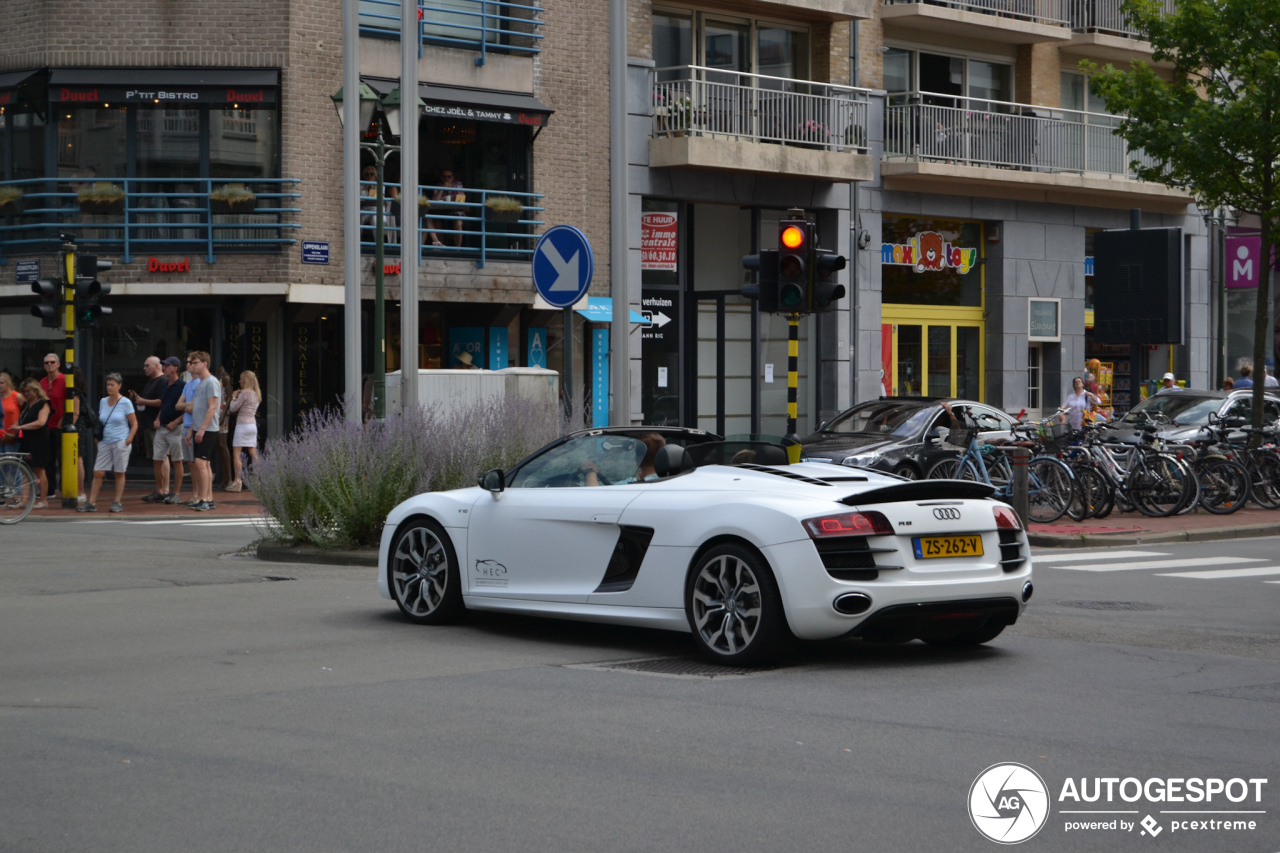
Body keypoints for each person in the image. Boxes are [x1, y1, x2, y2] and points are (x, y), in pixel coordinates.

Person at [80, 373, 137, 513]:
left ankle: (117, 501)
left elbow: (134, 423)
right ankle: (91, 502)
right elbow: (101, 420)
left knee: (119, 472)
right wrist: (97, 438)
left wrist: (129, 439)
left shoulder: (125, 402)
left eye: (112, 385)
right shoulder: (103, 401)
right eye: (108, 384)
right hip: (105, 441)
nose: (109, 387)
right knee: (98, 472)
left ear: (119, 386)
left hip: (120, 441)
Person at [183, 351, 221, 512]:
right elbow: (198, 409)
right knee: (203, 464)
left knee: (200, 463)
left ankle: (204, 498)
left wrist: (202, 429)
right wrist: (192, 430)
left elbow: (212, 408)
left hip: (208, 429)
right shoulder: (200, 384)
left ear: (205, 363)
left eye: (195, 362)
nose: (192, 365)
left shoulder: (211, 382)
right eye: (191, 362)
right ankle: (208, 499)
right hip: (199, 428)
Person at [152, 357, 187, 505]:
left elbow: (188, 409)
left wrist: (176, 422)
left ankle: (176, 492)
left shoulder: (182, 386)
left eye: (166, 365)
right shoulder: (165, 384)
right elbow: (164, 404)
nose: (164, 367)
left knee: (177, 460)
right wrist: (158, 418)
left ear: (175, 368)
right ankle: (160, 491)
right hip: (162, 427)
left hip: (175, 428)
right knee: (157, 459)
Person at [131, 356, 167, 494]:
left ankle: (165, 488)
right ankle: (160, 488)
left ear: (157, 366)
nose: (144, 368)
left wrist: (144, 401)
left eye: (147, 366)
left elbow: (162, 401)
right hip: (149, 424)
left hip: (157, 425)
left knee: (162, 457)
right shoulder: (151, 381)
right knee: (156, 458)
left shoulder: (162, 381)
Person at [16, 379, 51, 508]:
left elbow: (41, 422)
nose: (27, 394)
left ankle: (43, 500)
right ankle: (24, 500)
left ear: (36, 390)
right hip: (26, 439)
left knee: (39, 469)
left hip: (38, 439)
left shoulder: (43, 404)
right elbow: (19, 421)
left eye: (29, 391)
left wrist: (21, 427)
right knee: (24, 469)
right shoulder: (26, 405)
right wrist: (13, 428)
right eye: (24, 392)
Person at [226, 370, 261, 492]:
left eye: (241, 379)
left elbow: (232, 409)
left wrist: (233, 398)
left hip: (242, 425)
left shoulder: (244, 393)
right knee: (253, 453)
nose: (240, 381)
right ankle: (256, 480)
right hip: (252, 425)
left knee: (236, 454)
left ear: (246, 381)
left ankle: (237, 481)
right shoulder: (256, 394)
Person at [39, 353, 66, 493]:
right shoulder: (42, 383)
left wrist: (65, 420)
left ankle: (64, 487)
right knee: (48, 458)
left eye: (52, 362)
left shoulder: (65, 380)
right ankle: (49, 488)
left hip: (60, 425)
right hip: (46, 425)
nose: (49, 364)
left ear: (58, 364)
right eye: (46, 363)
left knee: (62, 457)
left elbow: (71, 403)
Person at [174, 364, 202, 505]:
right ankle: (195, 494)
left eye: (192, 362)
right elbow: (177, 405)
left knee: (197, 463)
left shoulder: (200, 384)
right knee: (191, 463)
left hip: (194, 426)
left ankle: (199, 495)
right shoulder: (188, 384)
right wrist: (189, 406)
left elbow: (196, 409)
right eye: (189, 362)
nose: (189, 365)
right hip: (186, 426)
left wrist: (188, 406)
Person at [69, 366, 94, 504]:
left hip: (76, 427)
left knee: (77, 457)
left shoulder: (75, 392)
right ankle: (77, 490)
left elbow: (75, 412)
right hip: (79, 426)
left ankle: (80, 491)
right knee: (77, 458)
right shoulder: (80, 391)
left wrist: (70, 426)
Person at [360, 164, 397, 245]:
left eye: (371, 174)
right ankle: (356, 243)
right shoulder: (361, 186)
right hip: (365, 210)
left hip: (377, 210)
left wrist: (372, 188)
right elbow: (361, 200)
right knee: (358, 219)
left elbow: (377, 200)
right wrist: (365, 189)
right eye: (367, 174)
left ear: (375, 176)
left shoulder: (380, 186)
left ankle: (379, 245)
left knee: (375, 219)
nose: (369, 176)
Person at [429, 168, 465, 248]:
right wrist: (443, 188)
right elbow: (434, 202)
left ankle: (458, 249)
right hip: (441, 211)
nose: (446, 179)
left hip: (455, 210)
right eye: (444, 177)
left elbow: (461, 200)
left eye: (449, 177)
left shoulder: (457, 184)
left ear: (453, 177)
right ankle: (441, 248)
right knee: (437, 223)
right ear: (441, 178)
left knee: (458, 222)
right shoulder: (438, 186)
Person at [213, 366, 233, 489]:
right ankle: (225, 478)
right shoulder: (214, 378)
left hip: (222, 413)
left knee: (222, 444)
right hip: (215, 413)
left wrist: (224, 414)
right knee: (218, 446)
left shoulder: (225, 378)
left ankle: (229, 478)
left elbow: (229, 396)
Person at [0, 370, 21, 453]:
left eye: (2, 383)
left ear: (8, 383)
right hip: (1, 434)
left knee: (10, 461)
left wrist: (18, 423)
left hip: (12, 435)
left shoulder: (16, 396)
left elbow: (26, 411)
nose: (0, 385)